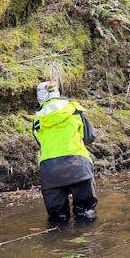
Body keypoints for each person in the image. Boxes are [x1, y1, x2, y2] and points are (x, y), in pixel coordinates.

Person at [32, 80, 98, 225]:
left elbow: (41, 143)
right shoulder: (74, 109)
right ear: (57, 92)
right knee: (85, 213)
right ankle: (86, 246)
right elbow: (89, 137)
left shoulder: (37, 119)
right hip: (78, 166)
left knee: (58, 219)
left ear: (40, 98)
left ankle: (59, 245)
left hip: (50, 171)